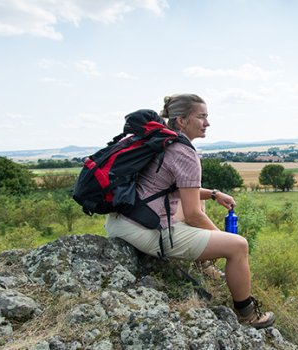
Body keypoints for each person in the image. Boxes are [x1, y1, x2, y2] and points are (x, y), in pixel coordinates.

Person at [104, 93, 275, 329]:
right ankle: (247, 315)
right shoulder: (185, 153)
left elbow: (178, 190)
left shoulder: (163, 141)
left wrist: (213, 194)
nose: (207, 123)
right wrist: (224, 239)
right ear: (182, 121)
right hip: (144, 230)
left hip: (121, 220)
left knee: (200, 203)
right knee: (238, 247)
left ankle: (203, 265)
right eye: (201, 117)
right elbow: (193, 214)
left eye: (207, 117)